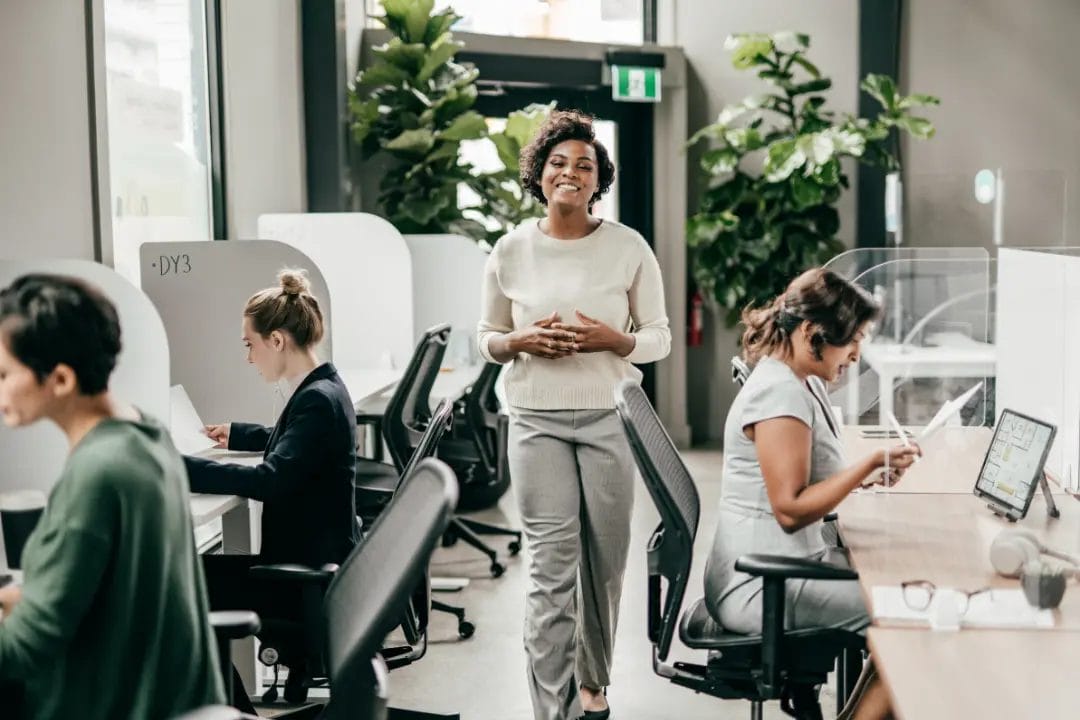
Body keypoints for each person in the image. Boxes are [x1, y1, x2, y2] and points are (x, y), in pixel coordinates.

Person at [477, 109, 671, 720]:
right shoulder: (510, 249)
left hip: (611, 419)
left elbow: (660, 336)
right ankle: (551, 709)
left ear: (597, 181)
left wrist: (615, 341)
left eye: (584, 165)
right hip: (535, 420)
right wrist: (518, 342)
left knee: (606, 562)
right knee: (551, 572)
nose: (571, 172)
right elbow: (485, 335)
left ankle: (595, 682)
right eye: (558, 162)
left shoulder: (628, 246)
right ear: (540, 174)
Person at [0, 274, 224, 719]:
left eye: (4, 374)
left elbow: (23, 651)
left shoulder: (97, 473)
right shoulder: (146, 435)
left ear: (60, 379)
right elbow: (109, 597)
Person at [703, 268, 921, 720]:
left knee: (896, 604)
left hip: (772, 569)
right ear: (811, 333)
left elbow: (803, 482)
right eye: (851, 340)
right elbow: (789, 509)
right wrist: (864, 464)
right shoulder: (780, 395)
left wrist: (862, 475)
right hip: (759, 585)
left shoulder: (795, 380)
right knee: (905, 619)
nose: (856, 355)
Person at [183, 268, 359, 701]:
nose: (249, 358)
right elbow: (298, 446)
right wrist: (239, 434)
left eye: (250, 345)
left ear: (277, 340)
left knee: (180, 583)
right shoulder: (324, 387)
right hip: (319, 563)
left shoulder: (315, 399)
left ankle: (233, 708)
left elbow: (272, 479)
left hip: (301, 578)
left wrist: (180, 467)